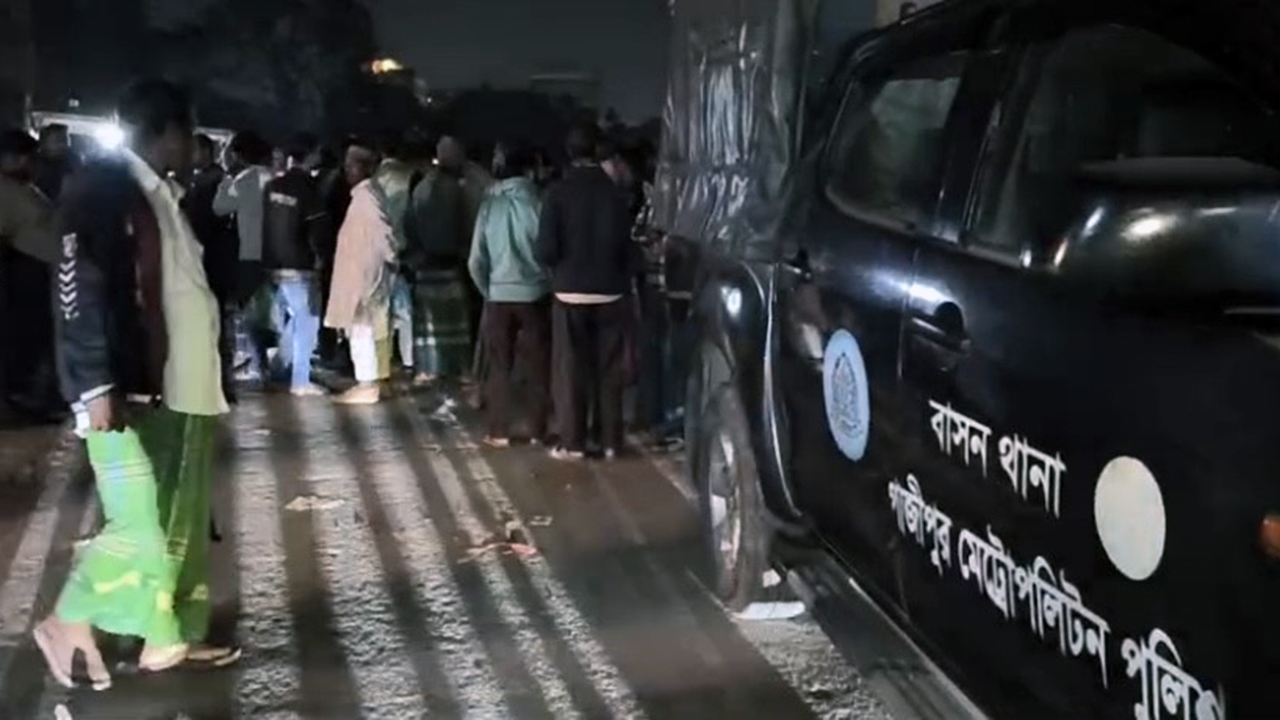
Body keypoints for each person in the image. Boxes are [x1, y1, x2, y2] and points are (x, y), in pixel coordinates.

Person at [34, 79, 237, 690]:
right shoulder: (103, 191)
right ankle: (72, 618)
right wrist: (96, 383)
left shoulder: (158, 192)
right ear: (166, 133)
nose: (193, 148)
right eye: (187, 135)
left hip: (186, 387)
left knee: (180, 518)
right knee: (141, 523)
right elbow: (78, 290)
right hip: (131, 388)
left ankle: (165, 634)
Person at [538, 123, 640, 460]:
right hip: (611, 292)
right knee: (609, 371)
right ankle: (610, 441)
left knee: (571, 370)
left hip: (569, 293)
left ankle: (573, 442)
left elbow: (545, 250)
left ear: (568, 153)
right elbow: (628, 248)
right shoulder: (615, 194)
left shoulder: (557, 193)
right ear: (597, 151)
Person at [468, 142, 549, 447]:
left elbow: (475, 260)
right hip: (535, 296)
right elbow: (549, 253)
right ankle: (538, 430)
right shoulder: (539, 203)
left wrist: (488, 290)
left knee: (499, 365)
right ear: (529, 170)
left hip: (498, 296)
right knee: (538, 366)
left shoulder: (490, 206)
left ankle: (498, 431)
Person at [324, 139, 395, 405]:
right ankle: (373, 382)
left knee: (362, 330)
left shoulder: (366, 197)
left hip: (364, 278)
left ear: (365, 168)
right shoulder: (366, 195)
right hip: (364, 275)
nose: (347, 171)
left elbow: (384, 233)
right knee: (367, 330)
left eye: (352, 165)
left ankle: (368, 384)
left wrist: (391, 258)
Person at [0, 129, 62, 423]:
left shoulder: (24, 188)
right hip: (23, 275)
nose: (29, 162)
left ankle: (32, 398)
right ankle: (20, 399)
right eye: (22, 156)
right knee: (25, 341)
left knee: (38, 340)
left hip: (41, 273)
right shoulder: (5, 190)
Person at [403, 136, 475, 385]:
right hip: (450, 262)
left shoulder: (422, 187)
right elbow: (466, 224)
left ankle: (429, 368)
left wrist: (414, 254)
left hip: (425, 263)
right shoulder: (456, 189)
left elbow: (409, 224)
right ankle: (460, 367)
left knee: (429, 324)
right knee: (454, 321)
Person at [262, 135, 327, 395]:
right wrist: (321, 258)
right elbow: (318, 231)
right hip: (301, 264)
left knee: (298, 316)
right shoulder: (309, 189)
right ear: (310, 156)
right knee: (308, 319)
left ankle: (279, 366)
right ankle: (301, 381)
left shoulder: (272, 186)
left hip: (274, 263)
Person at [214, 130, 274, 383]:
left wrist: (227, 177)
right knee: (270, 309)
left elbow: (220, 207)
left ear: (238, 155)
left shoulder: (244, 180)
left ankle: (259, 363)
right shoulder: (273, 178)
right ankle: (273, 360)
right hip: (274, 252)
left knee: (250, 310)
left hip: (249, 251)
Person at [182, 134, 238, 403]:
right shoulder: (204, 180)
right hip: (210, 261)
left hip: (212, 262)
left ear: (204, 152)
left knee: (216, 325)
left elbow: (206, 223)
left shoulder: (213, 182)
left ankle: (220, 383)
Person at [373, 138, 420, 376]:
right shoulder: (411, 176)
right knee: (405, 310)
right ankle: (409, 360)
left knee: (381, 311)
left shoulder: (372, 178)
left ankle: (382, 362)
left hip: (376, 253)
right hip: (402, 251)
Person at [34, 123, 77, 201]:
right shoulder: (35, 162)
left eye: (65, 139)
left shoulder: (73, 160)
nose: (63, 144)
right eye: (58, 140)